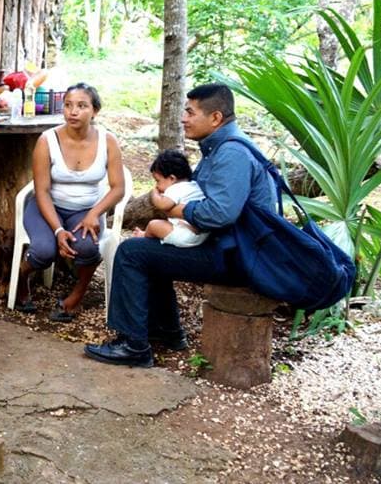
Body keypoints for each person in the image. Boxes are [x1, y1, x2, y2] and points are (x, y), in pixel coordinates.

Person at [84, 83, 275, 368]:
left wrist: (173, 209)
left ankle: (133, 346)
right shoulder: (221, 147)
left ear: (216, 118)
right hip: (228, 247)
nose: (183, 118)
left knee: (131, 252)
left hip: (237, 256)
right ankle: (167, 331)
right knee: (149, 249)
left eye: (190, 112)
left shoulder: (232, 154)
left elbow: (219, 214)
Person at [13, 82, 125, 322]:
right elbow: (42, 190)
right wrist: (58, 230)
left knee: (87, 247)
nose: (73, 112)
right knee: (44, 251)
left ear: (95, 111)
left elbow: (118, 188)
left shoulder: (108, 141)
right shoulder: (47, 140)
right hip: (46, 207)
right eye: (68, 105)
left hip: (85, 210)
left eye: (82, 106)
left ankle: (77, 295)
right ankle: (21, 277)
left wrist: (94, 214)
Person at [132, 149, 208, 247]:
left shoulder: (176, 188)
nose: (157, 186)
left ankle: (144, 236)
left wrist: (154, 193)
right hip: (201, 236)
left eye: (158, 181)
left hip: (185, 235)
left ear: (172, 178)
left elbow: (162, 205)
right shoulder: (193, 185)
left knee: (153, 225)